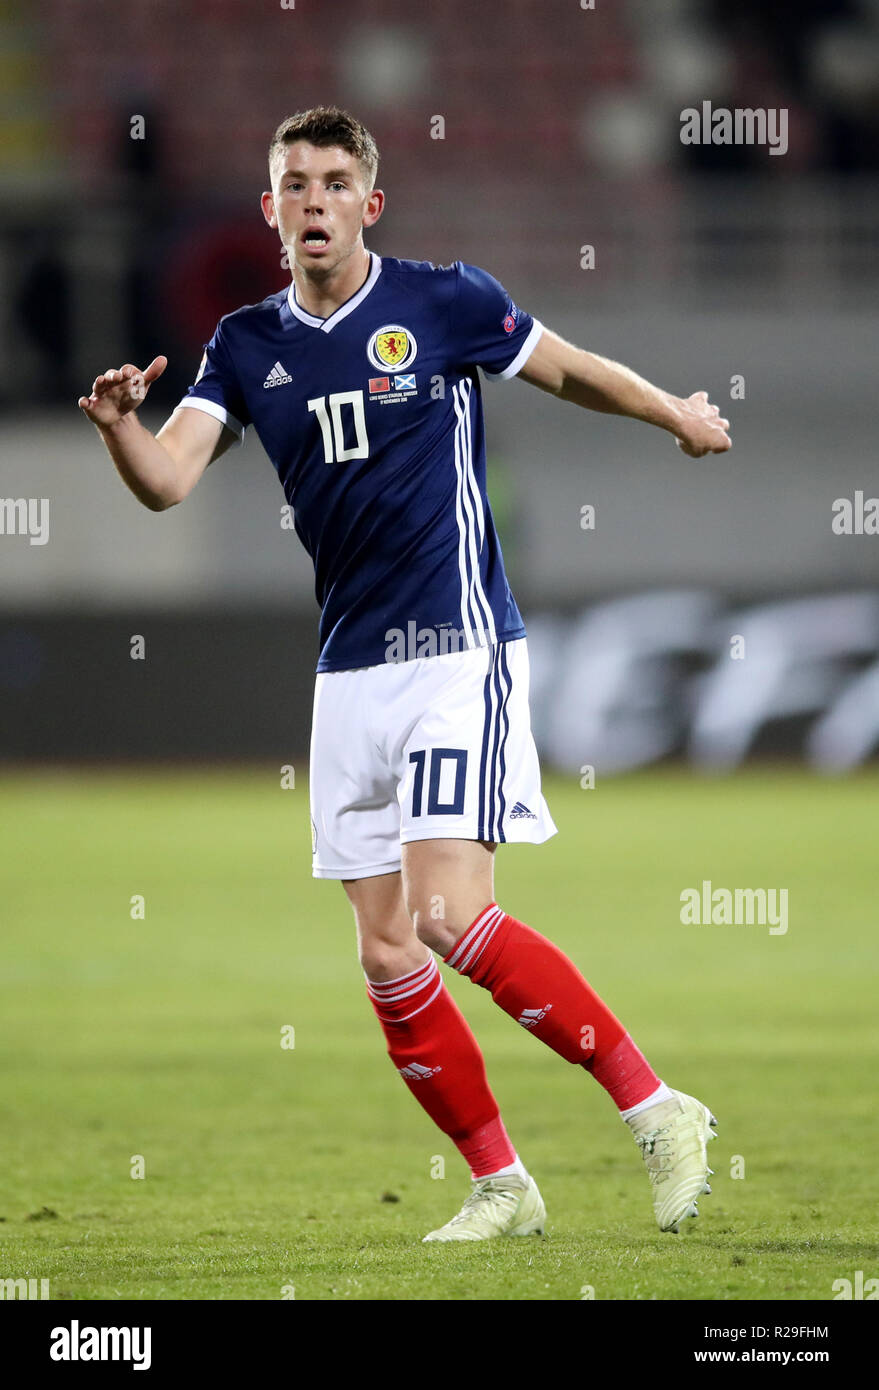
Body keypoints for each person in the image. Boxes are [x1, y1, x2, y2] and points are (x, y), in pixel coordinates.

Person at [79, 106, 730, 1243]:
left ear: (368, 204)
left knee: (448, 915)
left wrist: (675, 412)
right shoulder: (243, 343)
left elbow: (567, 369)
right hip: (348, 671)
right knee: (386, 948)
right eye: (295, 182)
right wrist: (121, 431)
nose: (315, 199)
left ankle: (658, 1106)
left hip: (455, 646)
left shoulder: (445, 302)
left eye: (336, 181)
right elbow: (168, 482)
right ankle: (504, 1185)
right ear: (270, 208)